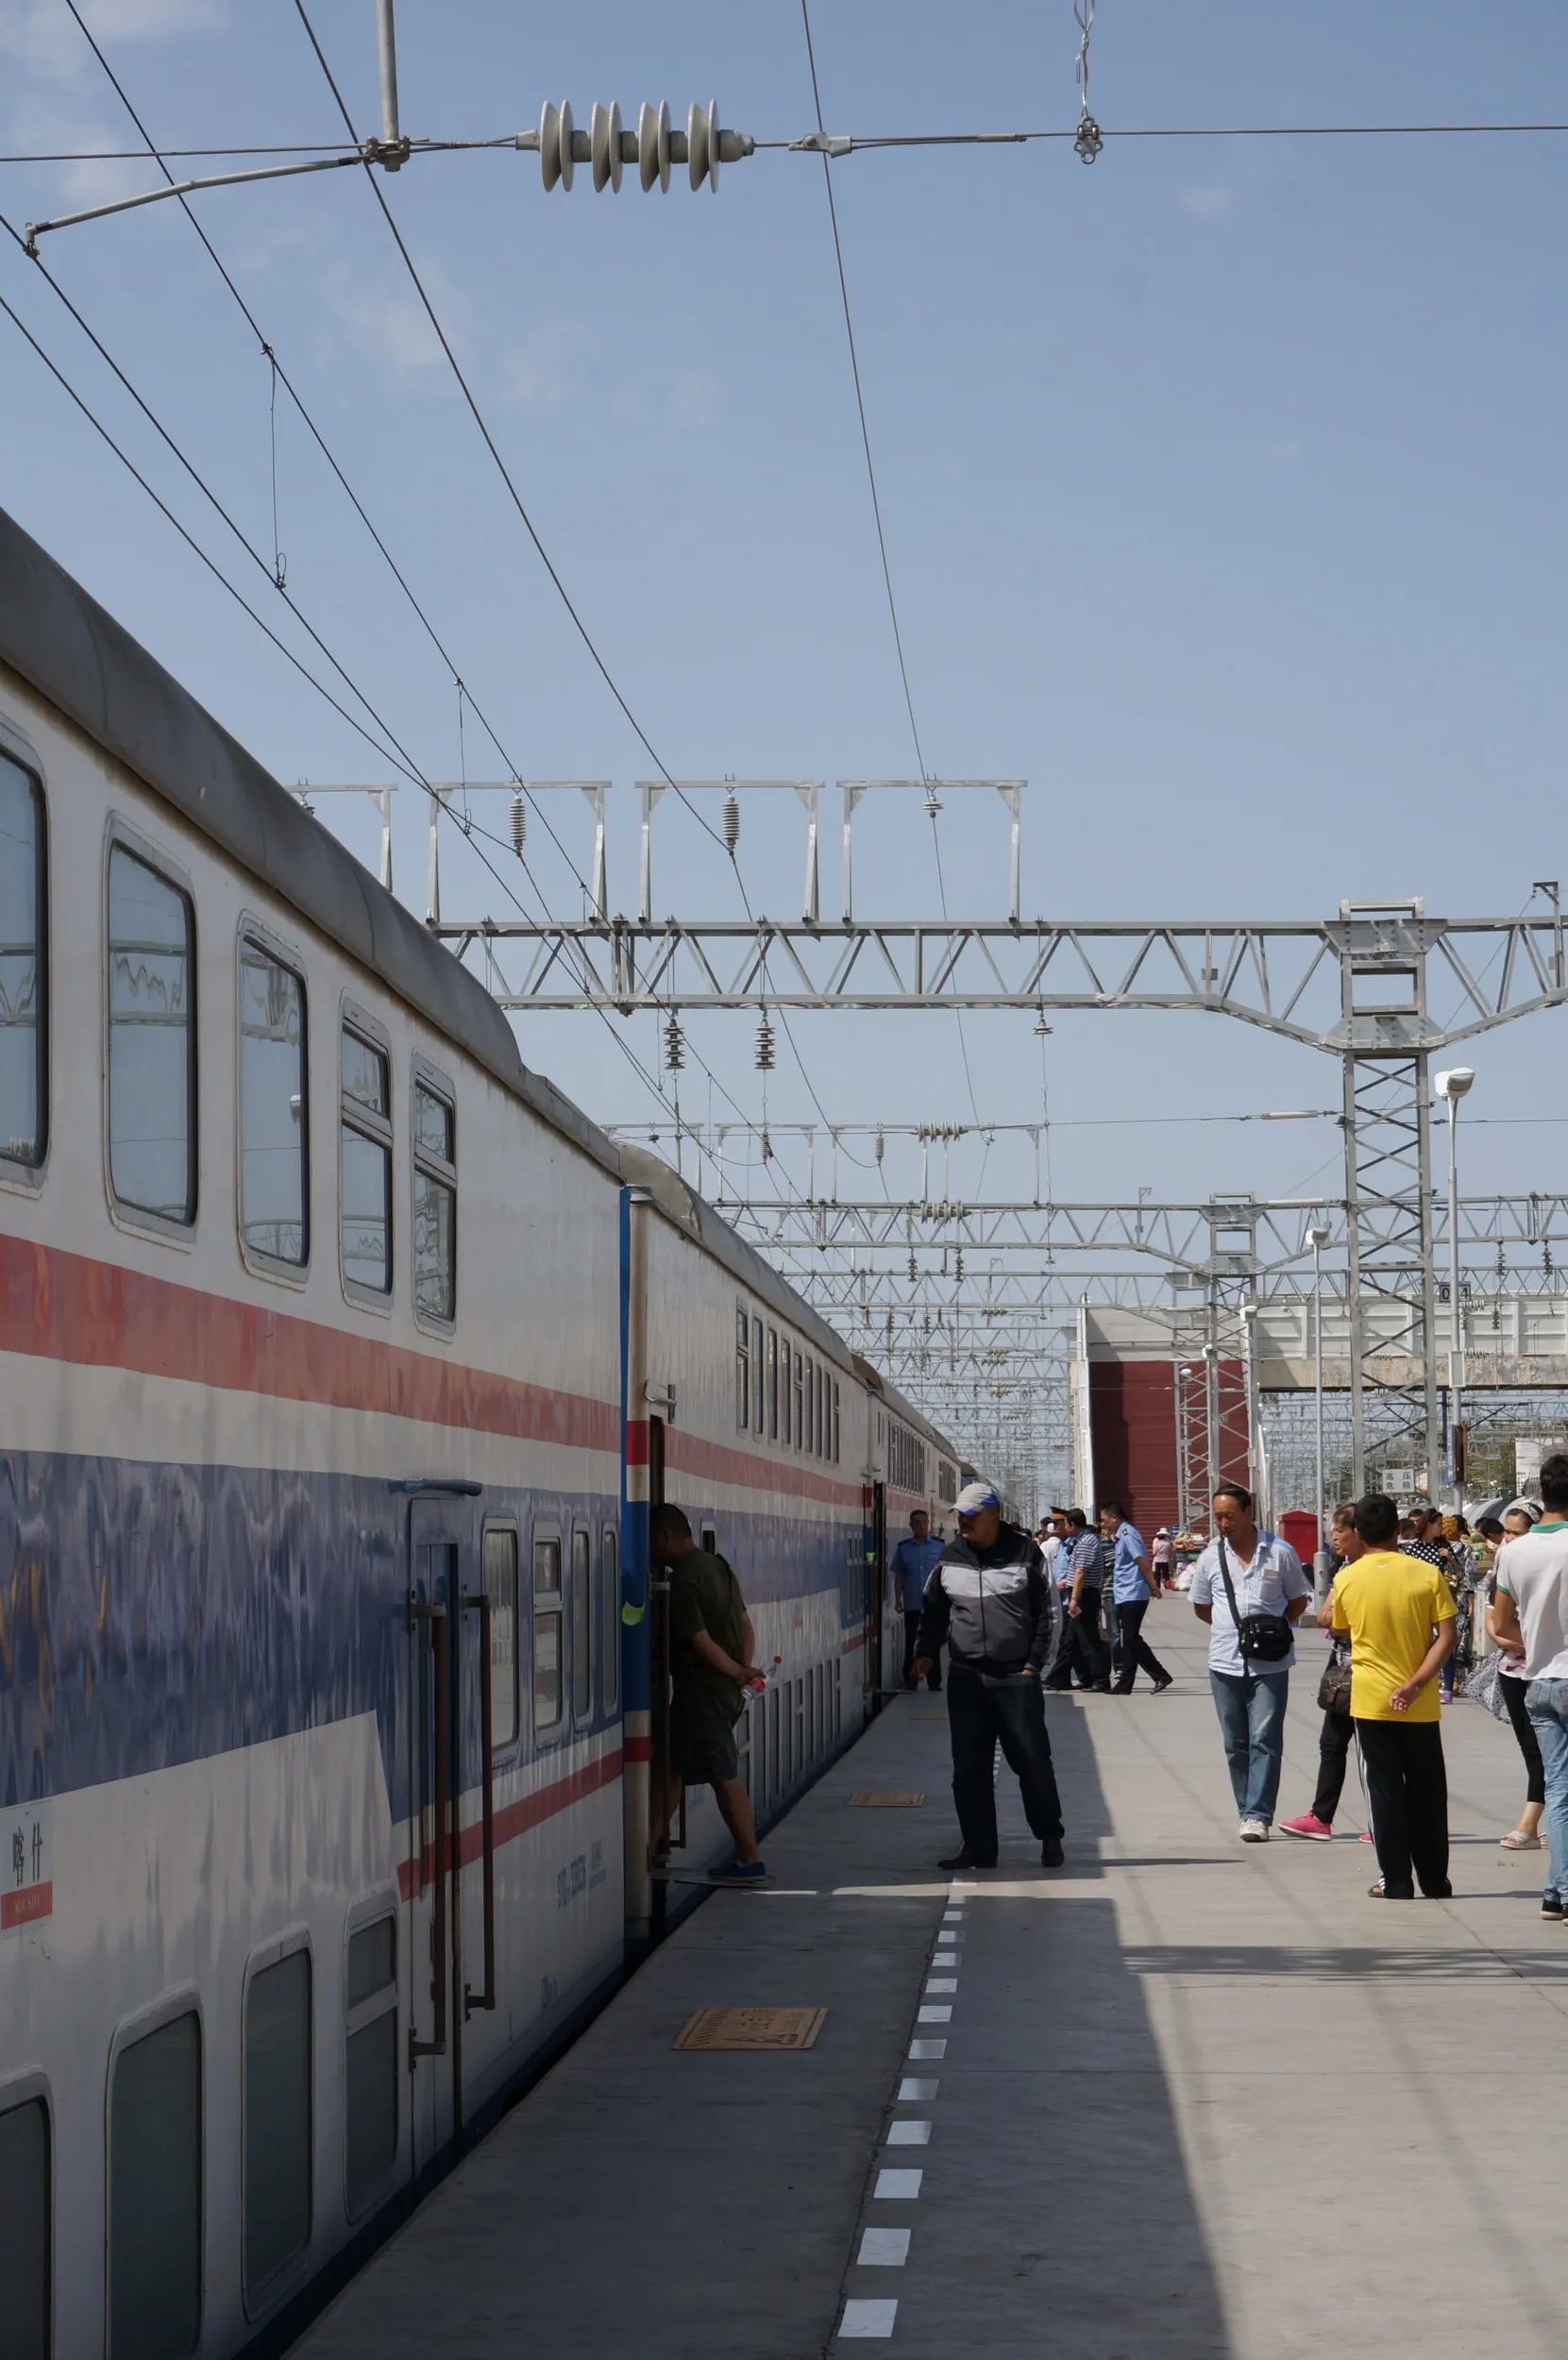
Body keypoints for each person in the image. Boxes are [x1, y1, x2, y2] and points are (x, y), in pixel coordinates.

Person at [914, 1480, 1066, 1870]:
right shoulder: (950, 1558)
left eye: (971, 1516)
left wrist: (1034, 1665)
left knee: (1031, 1760)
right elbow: (933, 1612)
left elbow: (1049, 1614)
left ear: (994, 1518)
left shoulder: (1026, 1554)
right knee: (968, 1769)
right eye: (961, 1516)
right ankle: (979, 1848)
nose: (964, 1522)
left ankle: (1050, 1837)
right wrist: (926, 1654)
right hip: (966, 1679)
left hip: (1015, 1677)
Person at [1332, 1492, 1458, 1899]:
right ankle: (1436, 1880)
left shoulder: (1346, 1579)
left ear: (1359, 1532)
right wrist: (1417, 1681)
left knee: (1383, 1793)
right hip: (1420, 1704)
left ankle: (1396, 1881)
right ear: (1397, 1528)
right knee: (1428, 1792)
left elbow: (1342, 1629)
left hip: (1371, 1702)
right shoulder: (1426, 1574)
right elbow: (1447, 1638)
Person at [650, 1505, 767, 1883]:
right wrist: (742, 1670)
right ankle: (650, 1843)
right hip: (723, 1690)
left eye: (650, 1540)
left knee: (722, 1773)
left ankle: (750, 1861)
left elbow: (699, 1641)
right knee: (673, 1763)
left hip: (702, 1692)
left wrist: (736, 1671)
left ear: (665, 1538)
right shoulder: (718, 1567)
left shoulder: (684, 1580)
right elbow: (746, 1625)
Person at [1190, 1483, 1310, 1841]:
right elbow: (1200, 1605)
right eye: (1217, 1517)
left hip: (1270, 1665)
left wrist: (1273, 1631)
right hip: (1224, 1662)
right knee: (1235, 1742)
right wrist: (1235, 1631)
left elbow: (1299, 1598)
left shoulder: (1279, 1552)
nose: (1222, 1523)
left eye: (1228, 1515)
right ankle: (1245, 1808)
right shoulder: (1211, 1557)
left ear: (1248, 1512)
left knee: (1265, 1738)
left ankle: (1258, 1815)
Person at [1491, 1455, 1568, 1924]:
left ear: (1541, 1496)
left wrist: (1537, 1642)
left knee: (1558, 1790)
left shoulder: (1512, 1552)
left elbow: (1499, 1623)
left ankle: (1556, 1892)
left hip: (1538, 1683)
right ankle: (1559, 1889)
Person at [1280, 1506, 1363, 1842]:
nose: (1333, 1537)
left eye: (1339, 1530)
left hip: (1368, 1671)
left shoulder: (1361, 1573)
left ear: (1359, 1532)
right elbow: (1325, 1615)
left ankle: (1383, 1821)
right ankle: (1321, 1817)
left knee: (1375, 1752)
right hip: (1344, 1671)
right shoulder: (1345, 1569)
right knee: (1332, 1743)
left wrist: (1333, 1607)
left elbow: (1330, 1618)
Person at [1485, 1508, 1547, 1858]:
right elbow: (1495, 1628)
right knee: (1529, 1748)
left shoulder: (1546, 1566)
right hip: (1513, 1670)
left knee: (1540, 1747)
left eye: (1516, 1532)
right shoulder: (1500, 1571)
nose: (1507, 1538)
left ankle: (1530, 1822)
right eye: (1506, 1531)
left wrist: (1526, 1637)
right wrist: (1532, 1638)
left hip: (1545, 1670)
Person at [1099, 1501, 1172, 1694]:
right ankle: (1128, 1682)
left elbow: (1141, 1560)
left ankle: (1158, 1676)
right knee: (1130, 1639)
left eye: (1104, 1520)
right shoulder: (1120, 1535)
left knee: (1130, 1639)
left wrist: (1153, 1586)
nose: (1103, 1524)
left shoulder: (1128, 1534)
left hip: (1133, 1591)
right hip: (1124, 1592)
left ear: (1114, 1517)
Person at [1045, 1509, 1112, 1693]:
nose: (1064, 1528)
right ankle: (1063, 1678)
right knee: (1071, 1640)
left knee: (1087, 1639)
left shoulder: (1085, 1543)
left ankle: (1100, 1679)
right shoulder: (1082, 1540)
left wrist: (1074, 1599)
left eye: (1065, 1524)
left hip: (1084, 1596)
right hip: (1082, 1594)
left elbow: (1080, 1572)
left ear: (1072, 1524)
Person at [893, 1509, 946, 1691]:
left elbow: (946, 1574)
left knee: (933, 1643)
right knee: (911, 1643)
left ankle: (934, 1682)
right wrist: (897, 1599)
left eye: (924, 1522)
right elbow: (899, 1575)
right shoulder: (904, 1549)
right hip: (912, 1604)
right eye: (917, 1522)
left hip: (934, 1606)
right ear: (911, 1525)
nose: (921, 1526)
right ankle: (910, 1680)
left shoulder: (940, 1547)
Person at [1151, 1526, 1174, 1593]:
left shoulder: (1156, 1544)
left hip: (1157, 1560)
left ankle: (1158, 1585)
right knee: (1166, 1573)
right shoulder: (1168, 1543)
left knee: (1157, 1573)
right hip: (1165, 1560)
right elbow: (1171, 1551)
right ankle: (1167, 1585)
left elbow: (1154, 1552)